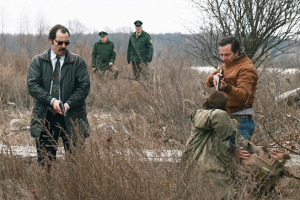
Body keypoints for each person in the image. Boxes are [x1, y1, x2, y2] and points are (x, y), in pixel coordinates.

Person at [182, 91, 290, 199]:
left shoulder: (227, 127)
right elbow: (218, 116)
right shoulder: (200, 115)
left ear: (206, 102)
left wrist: (268, 154)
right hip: (199, 174)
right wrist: (232, 148)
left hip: (218, 178)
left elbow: (245, 145)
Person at [27, 24, 90, 168]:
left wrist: (67, 104)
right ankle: (47, 190)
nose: (63, 46)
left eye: (66, 43)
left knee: (77, 164)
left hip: (73, 117)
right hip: (46, 117)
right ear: (50, 41)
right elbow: (32, 86)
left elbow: (84, 87)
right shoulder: (38, 61)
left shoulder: (78, 62)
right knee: (45, 164)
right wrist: (52, 101)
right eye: (59, 42)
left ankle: (74, 190)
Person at [205, 36, 258, 141]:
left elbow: (244, 95)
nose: (224, 58)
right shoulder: (227, 64)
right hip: (227, 118)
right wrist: (214, 78)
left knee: (239, 156)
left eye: (227, 55)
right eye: (221, 55)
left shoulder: (246, 68)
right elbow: (207, 81)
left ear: (237, 52)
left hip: (241, 122)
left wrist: (225, 87)